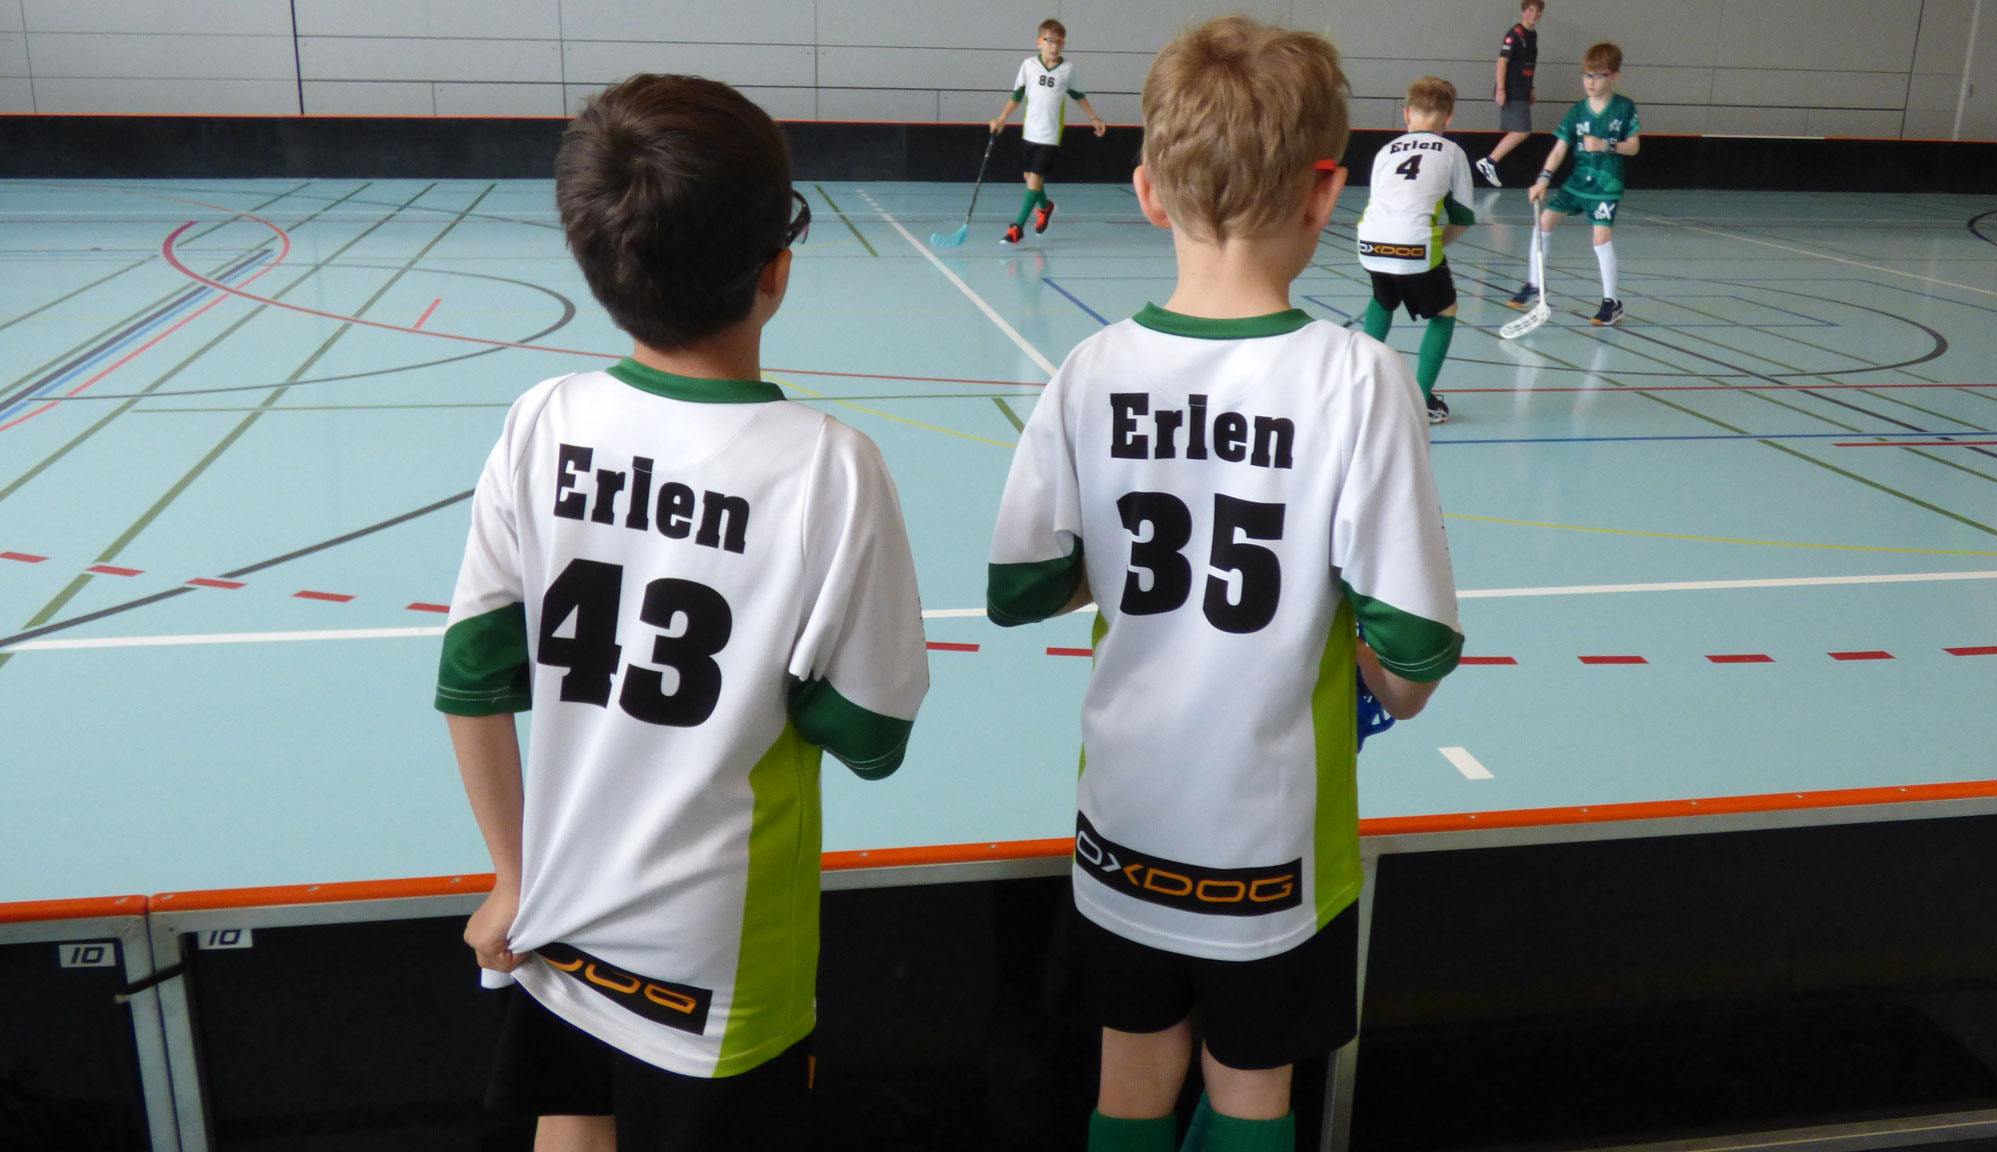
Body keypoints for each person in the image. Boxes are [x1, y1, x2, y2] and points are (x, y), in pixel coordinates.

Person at [987, 18, 1464, 1152]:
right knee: (1252, 1087)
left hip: (1124, 821)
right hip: (1272, 845)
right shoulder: (1360, 379)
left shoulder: (1090, 369)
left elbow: (1021, 585)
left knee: (1131, 1072)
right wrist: (1366, 674)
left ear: (1149, 191)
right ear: (1326, 191)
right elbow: (1413, 654)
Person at [435, 73, 929, 1152]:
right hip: (719, 958)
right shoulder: (829, 467)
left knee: (571, 1120)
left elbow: (472, 678)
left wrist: (514, 875)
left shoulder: (541, 420)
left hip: (557, 913)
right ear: (776, 269)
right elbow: (871, 735)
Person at [1356, 76, 1476, 425]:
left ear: (1407, 114)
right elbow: (1463, 217)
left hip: (1370, 241)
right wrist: (1437, 246)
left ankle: (1361, 389)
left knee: (1383, 299)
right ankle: (1420, 400)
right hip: (1414, 245)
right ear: (1448, 119)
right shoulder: (1452, 152)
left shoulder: (1385, 152)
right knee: (1445, 311)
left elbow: (1380, 202)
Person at [1507, 41, 1640, 326]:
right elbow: (1559, 150)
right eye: (1586, 75)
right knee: (1543, 222)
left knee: (1600, 239)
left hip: (1606, 184)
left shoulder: (1624, 107)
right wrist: (1543, 180)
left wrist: (1606, 145)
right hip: (1577, 180)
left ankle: (1612, 302)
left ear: (1614, 76)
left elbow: (1633, 146)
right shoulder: (1578, 111)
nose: (1590, 82)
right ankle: (1535, 284)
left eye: (1598, 76)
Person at [987, 18, 1109, 246]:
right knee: (1029, 178)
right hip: (1029, 134)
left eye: (1059, 41)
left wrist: (1094, 117)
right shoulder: (1028, 66)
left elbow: (1078, 95)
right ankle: (1045, 207)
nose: (1054, 45)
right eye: (1050, 40)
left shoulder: (1068, 69)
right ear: (1039, 42)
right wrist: (1002, 118)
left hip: (1050, 136)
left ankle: (1017, 228)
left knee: (1034, 179)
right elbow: (1017, 96)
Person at [1475, 0, 1543, 188]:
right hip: (1512, 90)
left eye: (1538, 11)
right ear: (1523, 12)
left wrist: (1531, 87)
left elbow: (1528, 63)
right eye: (1530, 10)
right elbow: (1502, 62)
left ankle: (1492, 162)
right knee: (1521, 131)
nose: (1534, 14)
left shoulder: (1532, 34)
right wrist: (1501, 89)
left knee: (1520, 131)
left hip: (1523, 89)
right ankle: (1489, 161)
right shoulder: (1515, 34)